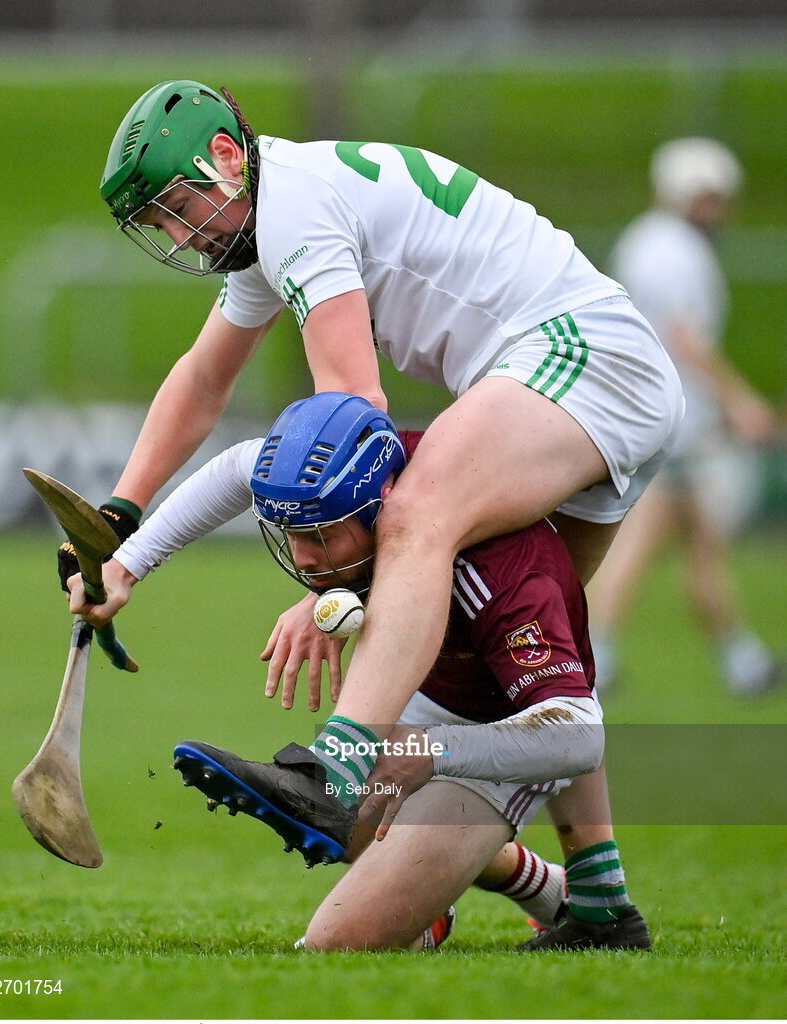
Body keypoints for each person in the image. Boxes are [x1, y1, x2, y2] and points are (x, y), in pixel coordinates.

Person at [79, 77, 684, 844]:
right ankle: (593, 899)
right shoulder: (279, 213)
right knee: (528, 629)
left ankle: (335, 772)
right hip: (572, 375)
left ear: (227, 159)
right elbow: (204, 379)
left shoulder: (293, 207)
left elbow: (351, 415)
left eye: (177, 210)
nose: (177, 239)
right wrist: (117, 520)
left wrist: (333, 587)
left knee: (415, 515)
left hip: (581, 355)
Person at [69, 392, 651, 951]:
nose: (302, 557)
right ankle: (542, 887)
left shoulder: (506, 575)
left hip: (497, 739)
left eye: (320, 535)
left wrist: (433, 752)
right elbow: (235, 468)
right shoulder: (367, 469)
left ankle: (456, 869)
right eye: (293, 534)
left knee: (339, 942)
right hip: (424, 709)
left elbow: (577, 737)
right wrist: (128, 565)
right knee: (339, 816)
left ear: (381, 507)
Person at [588, 137, 782, 696]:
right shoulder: (673, 250)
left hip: (669, 420)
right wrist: (739, 399)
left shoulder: (653, 241)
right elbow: (683, 336)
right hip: (667, 424)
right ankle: (594, 654)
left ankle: (739, 658)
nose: (716, 209)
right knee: (646, 538)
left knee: (700, 542)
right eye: (706, 197)